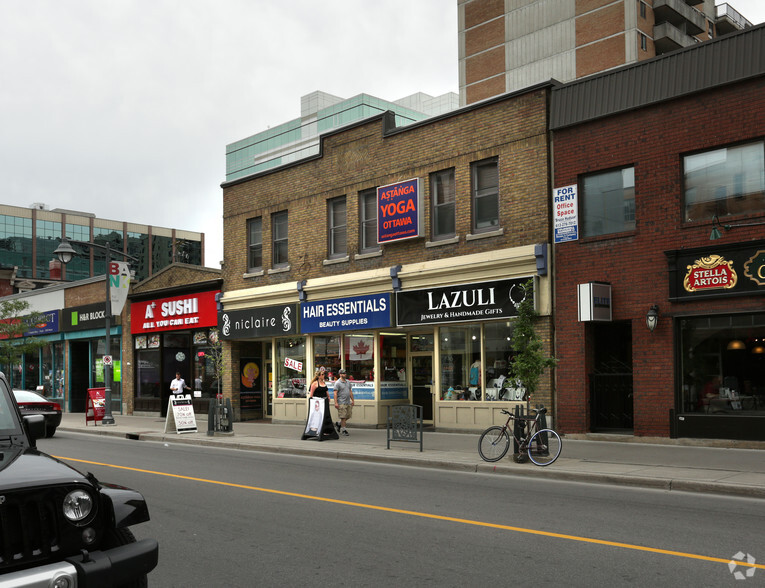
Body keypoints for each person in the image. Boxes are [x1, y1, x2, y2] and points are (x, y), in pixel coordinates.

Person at [333, 368, 354, 436]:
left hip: (348, 402)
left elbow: (350, 391)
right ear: (340, 374)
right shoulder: (337, 383)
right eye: (343, 373)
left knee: (348, 415)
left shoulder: (348, 382)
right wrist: (336, 403)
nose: (345, 374)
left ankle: (339, 424)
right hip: (341, 402)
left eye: (345, 373)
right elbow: (335, 393)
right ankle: (344, 430)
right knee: (343, 417)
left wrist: (352, 400)